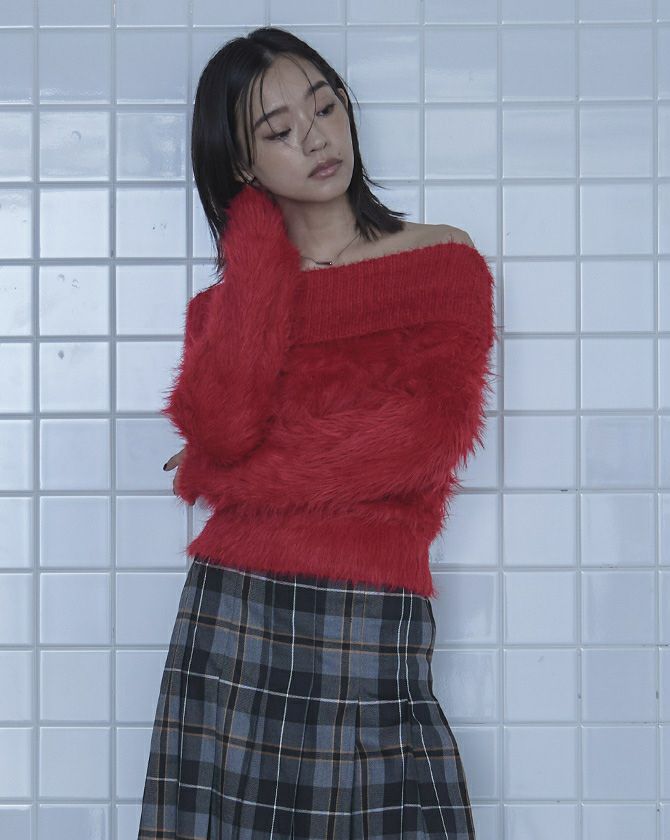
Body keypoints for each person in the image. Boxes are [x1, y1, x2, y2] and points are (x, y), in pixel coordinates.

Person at [138, 25, 497, 840]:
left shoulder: (441, 261)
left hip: (370, 608)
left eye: (325, 107)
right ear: (242, 164)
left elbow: (421, 438)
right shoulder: (223, 307)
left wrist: (223, 474)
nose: (315, 137)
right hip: (233, 611)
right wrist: (256, 250)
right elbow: (225, 425)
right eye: (277, 130)